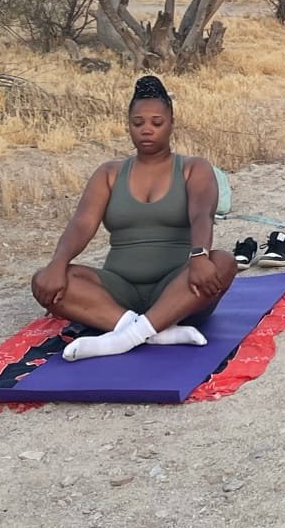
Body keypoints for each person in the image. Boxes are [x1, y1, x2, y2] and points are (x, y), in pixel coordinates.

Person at [31, 75, 237, 360]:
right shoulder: (109, 173)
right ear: (128, 125)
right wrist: (57, 263)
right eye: (137, 123)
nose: (147, 130)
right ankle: (151, 332)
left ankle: (121, 338)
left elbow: (202, 214)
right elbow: (83, 224)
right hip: (118, 291)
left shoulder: (193, 168)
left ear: (171, 123)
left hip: (180, 289)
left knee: (223, 262)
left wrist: (200, 256)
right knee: (46, 280)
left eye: (156, 122)